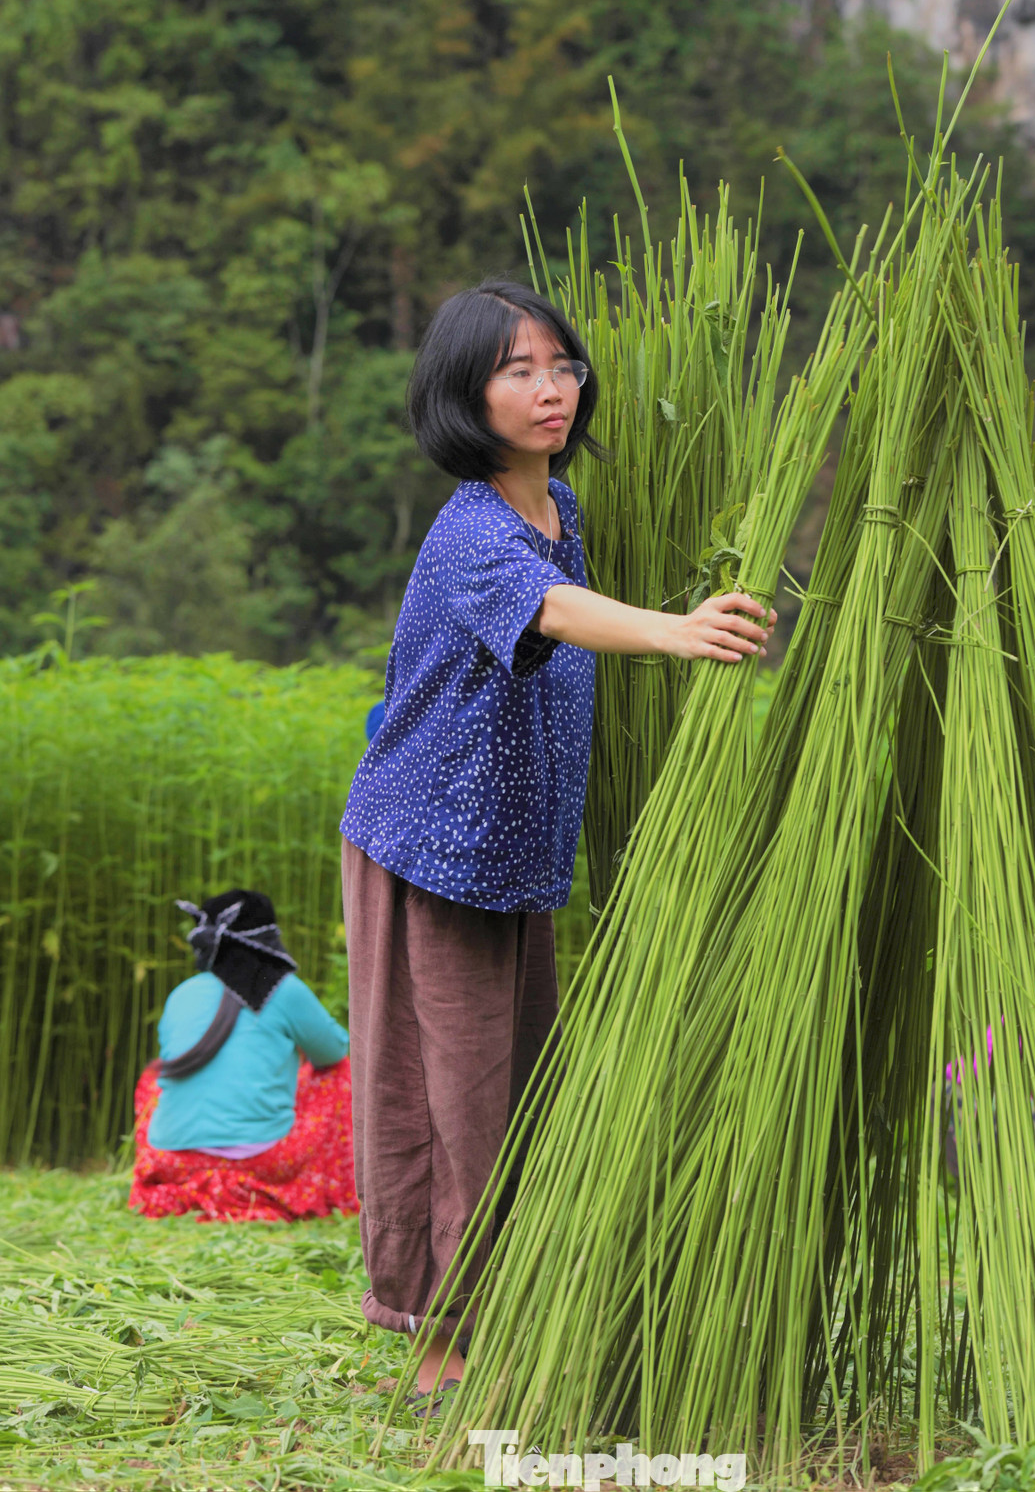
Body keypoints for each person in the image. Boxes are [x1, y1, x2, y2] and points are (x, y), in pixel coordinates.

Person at [340, 279, 776, 1408]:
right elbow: (550, 613)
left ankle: (499, 1307)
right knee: (443, 1100)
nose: (549, 388)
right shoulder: (472, 529)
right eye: (517, 369)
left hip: (513, 855)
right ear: (463, 393)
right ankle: (436, 1341)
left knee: (513, 1086)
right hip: (429, 849)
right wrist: (676, 633)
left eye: (561, 365)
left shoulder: (559, 505)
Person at [130, 888, 357, 1223]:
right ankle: (325, 1191)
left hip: (172, 1159)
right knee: (342, 1073)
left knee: (153, 1081)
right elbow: (333, 1052)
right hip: (262, 1160)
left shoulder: (181, 994)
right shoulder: (283, 988)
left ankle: (191, 1188)